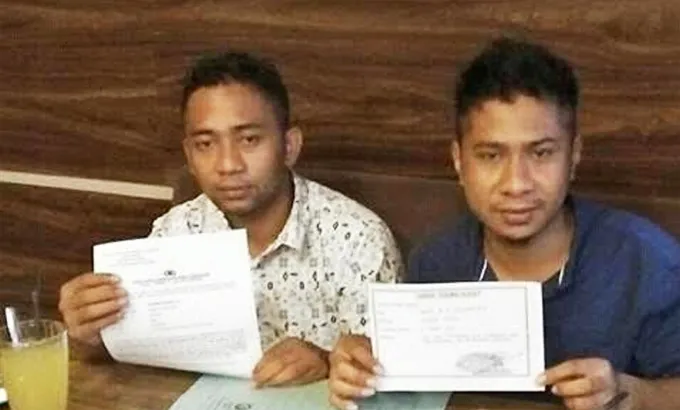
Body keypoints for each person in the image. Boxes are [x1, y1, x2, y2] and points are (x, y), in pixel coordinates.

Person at [328, 37, 680, 410]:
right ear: (458, 160)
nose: (516, 184)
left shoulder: (646, 262)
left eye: (541, 153)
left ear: (574, 155)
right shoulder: (436, 263)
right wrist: (361, 369)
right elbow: (408, 391)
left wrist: (630, 393)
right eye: (491, 155)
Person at [58, 51, 403, 387]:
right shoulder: (175, 233)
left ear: (289, 146)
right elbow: (130, 357)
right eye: (206, 144)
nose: (228, 165)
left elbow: (390, 371)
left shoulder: (357, 239)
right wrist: (92, 331)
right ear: (189, 156)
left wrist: (325, 360)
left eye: (249, 139)